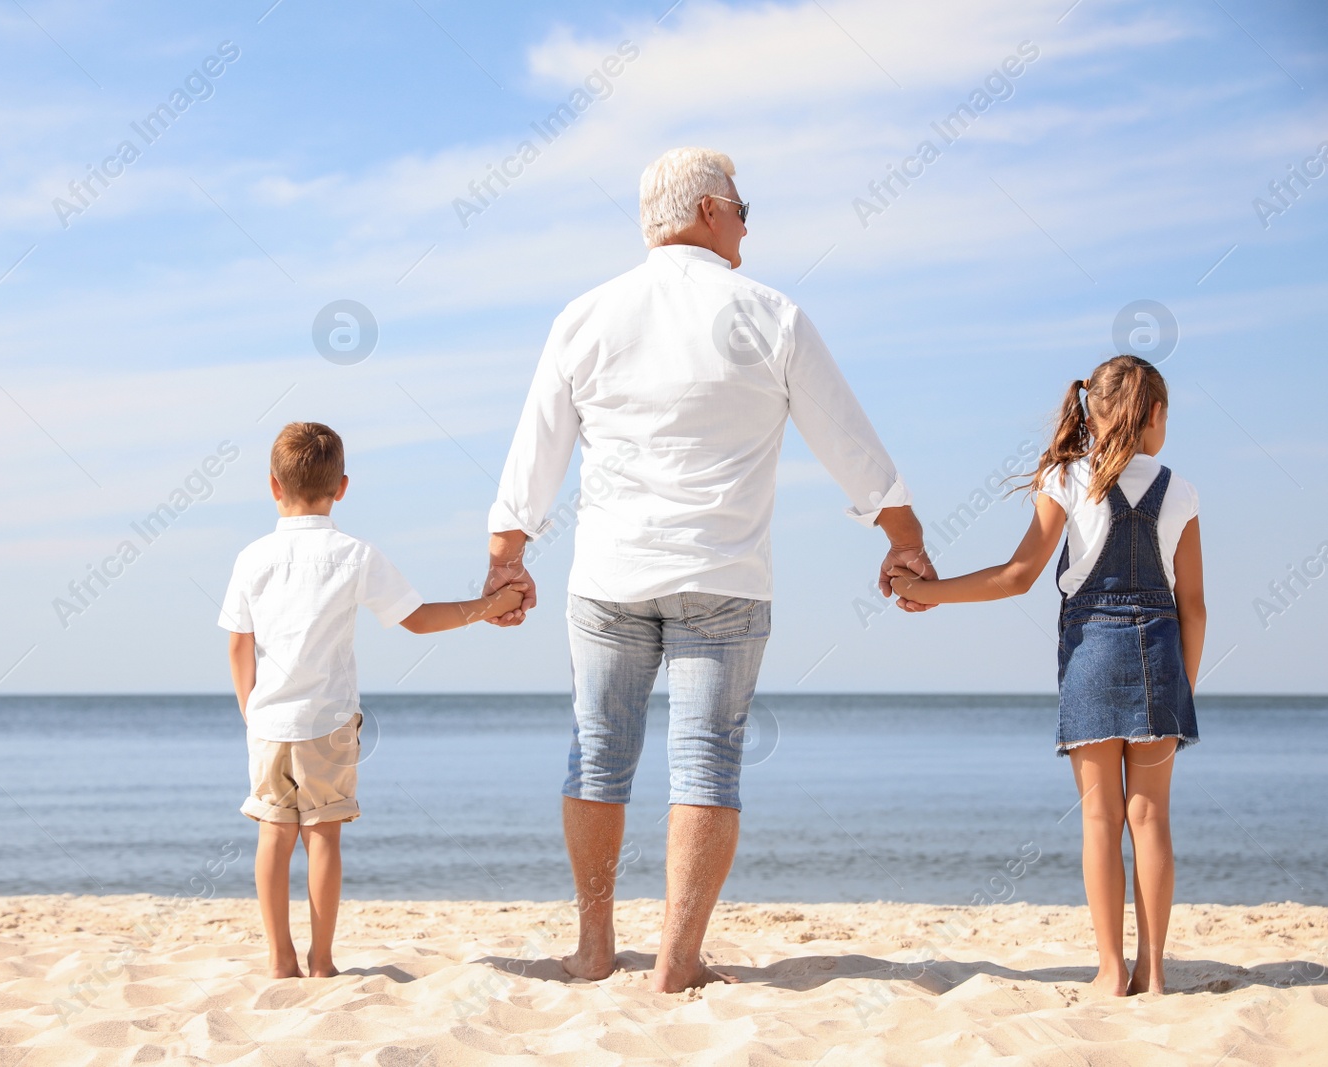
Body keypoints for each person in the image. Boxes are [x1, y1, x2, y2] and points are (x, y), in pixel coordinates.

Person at [482, 147, 935, 992]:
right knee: (705, 762)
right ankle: (678, 961)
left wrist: (507, 555)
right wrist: (901, 535)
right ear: (703, 212)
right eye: (741, 206)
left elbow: (534, 446)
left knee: (597, 756)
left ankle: (592, 948)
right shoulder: (771, 314)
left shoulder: (586, 314)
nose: (748, 222)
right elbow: (847, 438)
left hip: (610, 575)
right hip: (724, 575)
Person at [890, 354, 1204, 996]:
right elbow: (1193, 605)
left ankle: (1111, 971)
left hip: (1092, 656)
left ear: (1091, 412)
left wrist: (932, 590)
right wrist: (1182, 687)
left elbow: (1016, 577)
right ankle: (1155, 972)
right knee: (1151, 818)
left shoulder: (1067, 477)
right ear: (1158, 415)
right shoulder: (1181, 490)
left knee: (1100, 818)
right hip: (1160, 660)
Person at [220, 421, 526, 979]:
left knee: (272, 834)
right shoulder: (354, 554)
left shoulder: (251, 557)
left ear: (272, 486)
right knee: (324, 837)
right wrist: (492, 605)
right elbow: (419, 621)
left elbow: (239, 643)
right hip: (330, 722)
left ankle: (278, 957)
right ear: (342, 486)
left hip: (267, 722)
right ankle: (321, 960)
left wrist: (249, 707)